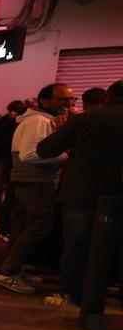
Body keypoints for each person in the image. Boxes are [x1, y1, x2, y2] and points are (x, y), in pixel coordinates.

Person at [34, 80, 123, 307]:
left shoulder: (85, 120)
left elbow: (45, 149)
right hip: (117, 194)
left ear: (107, 98)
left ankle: (72, 293)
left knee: (76, 245)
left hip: (81, 191)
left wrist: (61, 133)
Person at [0, 84, 75, 294]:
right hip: (36, 181)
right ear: (44, 101)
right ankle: (8, 271)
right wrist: (67, 154)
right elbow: (29, 155)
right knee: (40, 225)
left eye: (71, 99)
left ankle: (11, 269)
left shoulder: (41, 120)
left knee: (21, 227)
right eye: (62, 99)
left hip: (30, 181)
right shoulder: (39, 121)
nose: (68, 103)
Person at [0, 100, 26, 238]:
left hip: (7, 158)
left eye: (14, 111)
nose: (11, 113)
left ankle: (3, 226)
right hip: (4, 157)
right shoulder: (4, 122)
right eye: (10, 110)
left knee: (8, 191)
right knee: (1, 185)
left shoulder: (9, 123)